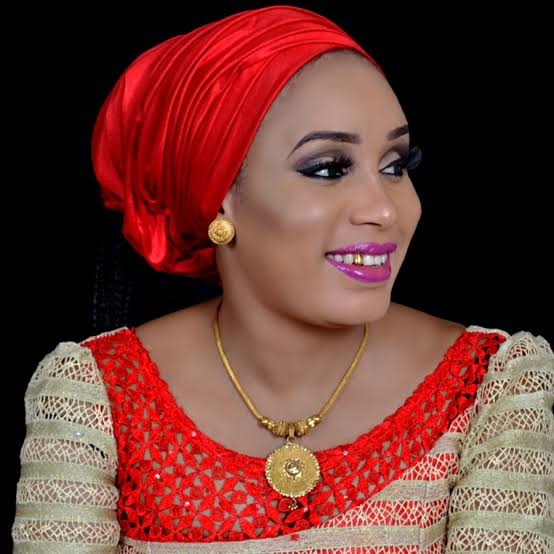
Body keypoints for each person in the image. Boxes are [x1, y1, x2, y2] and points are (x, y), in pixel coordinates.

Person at [12, 5, 553, 553]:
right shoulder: (97, 396)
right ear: (218, 194)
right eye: (328, 168)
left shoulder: (490, 386)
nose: (385, 210)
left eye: (395, 165)